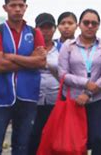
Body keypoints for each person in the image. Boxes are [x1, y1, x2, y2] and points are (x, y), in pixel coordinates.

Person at [0, 0, 46, 155]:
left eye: (21, 5)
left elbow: (41, 62)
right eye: (13, 5)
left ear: (26, 7)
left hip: (28, 96)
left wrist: (11, 57)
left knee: (22, 146)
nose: (17, 9)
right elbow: (0, 65)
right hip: (0, 96)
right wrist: (29, 61)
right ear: (5, 8)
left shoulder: (34, 33)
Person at [58, 9, 101, 155]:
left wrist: (88, 93)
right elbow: (62, 74)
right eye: (86, 22)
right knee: (76, 143)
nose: (90, 26)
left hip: (98, 101)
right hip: (74, 101)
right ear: (79, 25)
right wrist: (85, 82)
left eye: (93, 23)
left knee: (99, 139)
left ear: (98, 25)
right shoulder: (69, 46)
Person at [28, 13, 63, 155]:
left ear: (55, 29)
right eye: (42, 27)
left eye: (49, 27)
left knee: (53, 137)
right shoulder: (30, 47)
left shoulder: (62, 48)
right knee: (33, 136)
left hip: (55, 99)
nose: (46, 31)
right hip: (33, 99)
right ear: (36, 29)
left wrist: (46, 64)